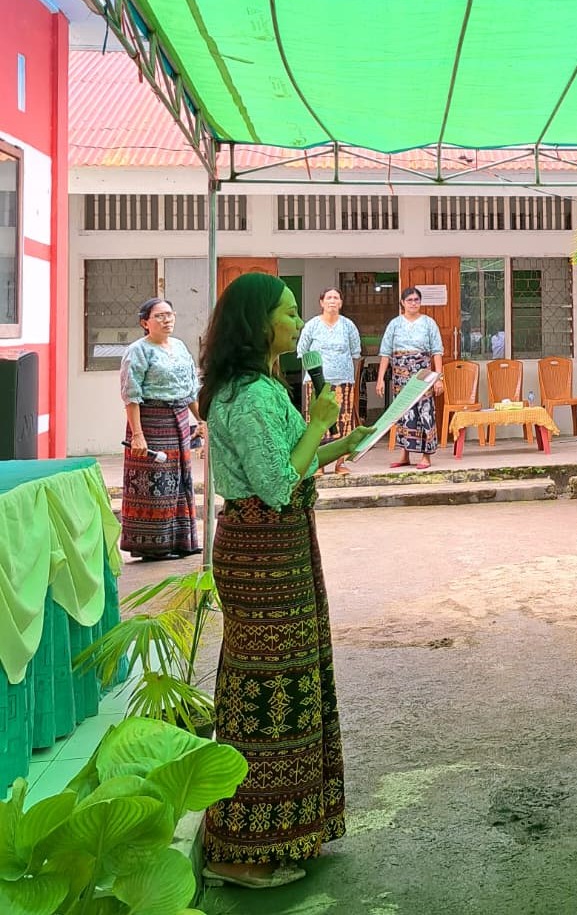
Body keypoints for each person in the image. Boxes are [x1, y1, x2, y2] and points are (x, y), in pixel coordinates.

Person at [198, 273, 373, 889]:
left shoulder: (261, 385)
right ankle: (240, 850)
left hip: (281, 548)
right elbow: (275, 486)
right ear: (258, 324)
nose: (299, 324)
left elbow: (287, 461)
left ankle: (288, 829)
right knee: (266, 689)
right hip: (261, 552)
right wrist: (321, 419)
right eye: (289, 313)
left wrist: (335, 442)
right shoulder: (244, 394)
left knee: (292, 680)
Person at [119, 297, 202, 560]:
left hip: (178, 420)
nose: (167, 320)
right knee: (155, 484)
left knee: (180, 480)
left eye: (170, 314)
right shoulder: (138, 351)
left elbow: (190, 391)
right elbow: (131, 396)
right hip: (151, 421)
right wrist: (138, 435)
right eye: (159, 316)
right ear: (145, 322)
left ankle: (181, 541)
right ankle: (151, 545)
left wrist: (202, 421)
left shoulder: (179, 347)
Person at [297, 287, 363, 476]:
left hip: (343, 382)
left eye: (336, 298)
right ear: (321, 302)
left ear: (341, 303)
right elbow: (302, 351)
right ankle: (318, 464)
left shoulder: (348, 325)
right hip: (317, 383)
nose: (332, 301)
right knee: (318, 423)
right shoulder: (312, 325)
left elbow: (355, 352)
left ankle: (340, 463)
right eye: (329, 298)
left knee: (343, 421)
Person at [376, 287, 445, 469]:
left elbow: (437, 352)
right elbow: (385, 353)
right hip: (400, 376)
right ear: (402, 303)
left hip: (423, 376)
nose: (413, 303)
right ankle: (404, 454)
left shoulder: (429, 323)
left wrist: (439, 378)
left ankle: (426, 456)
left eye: (416, 300)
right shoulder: (395, 324)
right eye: (409, 300)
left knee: (425, 413)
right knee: (404, 414)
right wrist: (380, 378)